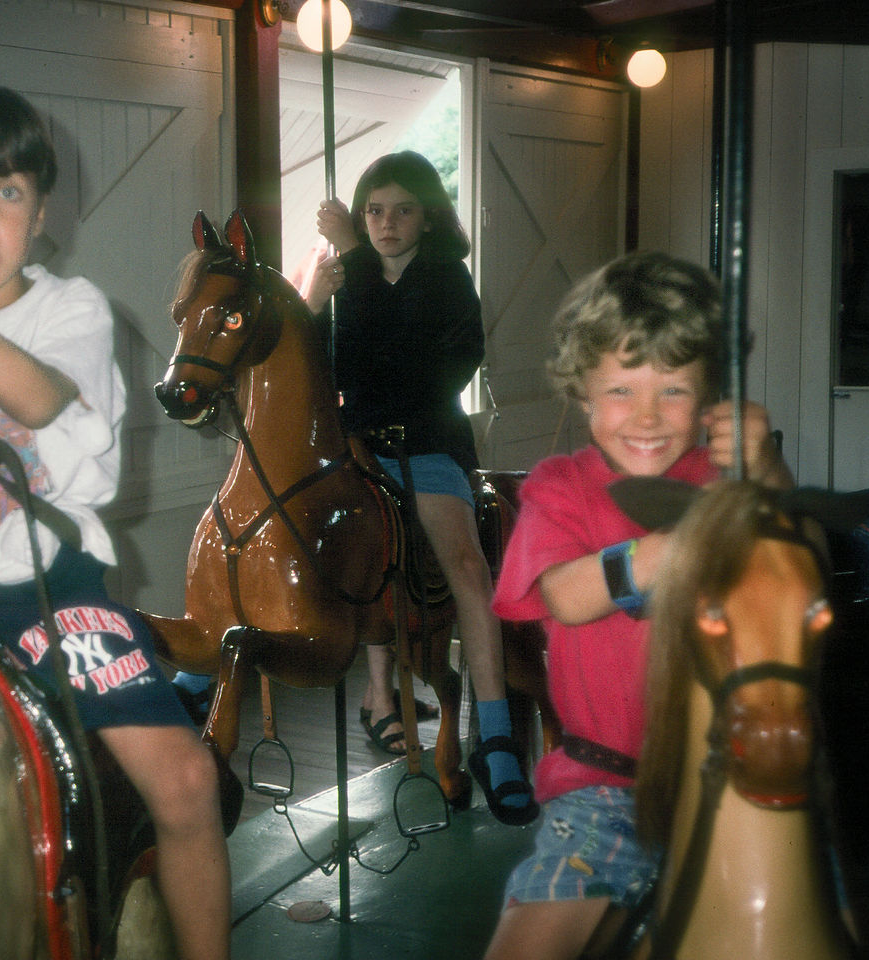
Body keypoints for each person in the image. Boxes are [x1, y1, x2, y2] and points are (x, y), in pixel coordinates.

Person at [0, 80, 230, 960]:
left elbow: (40, 395)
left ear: (40, 210)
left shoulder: (70, 311)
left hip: (45, 594)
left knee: (184, 780)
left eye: (9, 194)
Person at [480, 251, 794, 959]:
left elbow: (792, 561)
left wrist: (766, 471)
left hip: (735, 778)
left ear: (710, 393)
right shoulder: (562, 488)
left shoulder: (722, 475)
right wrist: (668, 549)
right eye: (622, 390)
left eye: (675, 390)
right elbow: (563, 592)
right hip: (607, 789)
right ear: (583, 394)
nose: (648, 416)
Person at [304, 150, 536, 826]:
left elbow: (423, 366)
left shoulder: (446, 281)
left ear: (428, 216)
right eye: (373, 210)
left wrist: (355, 279)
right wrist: (314, 306)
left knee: (466, 565)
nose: (386, 222)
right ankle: (375, 693)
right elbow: (324, 366)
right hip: (359, 443)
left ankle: (494, 734)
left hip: (427, 440)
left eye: (402, 209)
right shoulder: (347, 277)